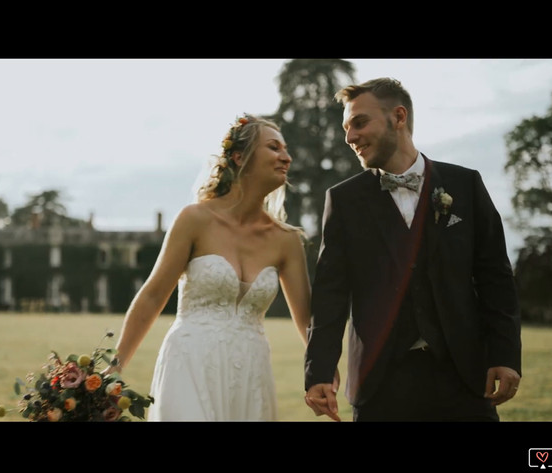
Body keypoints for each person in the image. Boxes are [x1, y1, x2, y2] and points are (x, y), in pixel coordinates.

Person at [304, 78, 522, 422]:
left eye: (359, 123)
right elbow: (331, 294)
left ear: (399, 117)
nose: (350, 138)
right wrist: (318, 371)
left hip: (464, 378)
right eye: (347, 128)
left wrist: (505, 354)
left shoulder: (465, 185)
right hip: (380, 385)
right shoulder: (344, 201)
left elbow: (496, 276)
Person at [106, 114, 314, 421]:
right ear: (239, 156)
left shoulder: (287, 241)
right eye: (274, 147)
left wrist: (321, 372)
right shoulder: (195, 220)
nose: (286, 156)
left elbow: (307, 321)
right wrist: (116, 365)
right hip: (189, 363)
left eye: (285, 149)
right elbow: (153, 295)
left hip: (252, 373)